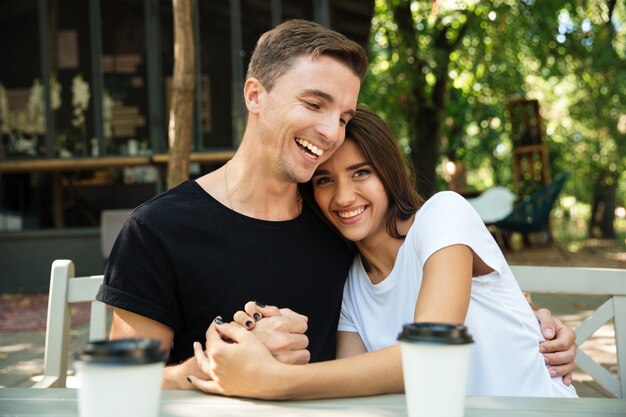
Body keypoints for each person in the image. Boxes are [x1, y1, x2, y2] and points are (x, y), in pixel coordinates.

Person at [97, 19, 574, 390]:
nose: (331, 132)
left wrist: (536, 324)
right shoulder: (158, 229)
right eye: (314, 104)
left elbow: (441, 281)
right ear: (255, 94)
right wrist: (216, 367)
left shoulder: (340, 223)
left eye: (343, 115)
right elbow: (118, 384)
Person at [189, 106, 577, 398]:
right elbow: (351, 388)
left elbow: (433, 353)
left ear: (388, 172)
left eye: (361, 172)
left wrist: (272, 380)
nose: (343, 197)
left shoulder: (443, 215)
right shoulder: (352, 285)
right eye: (325, 180)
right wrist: (267, 348)